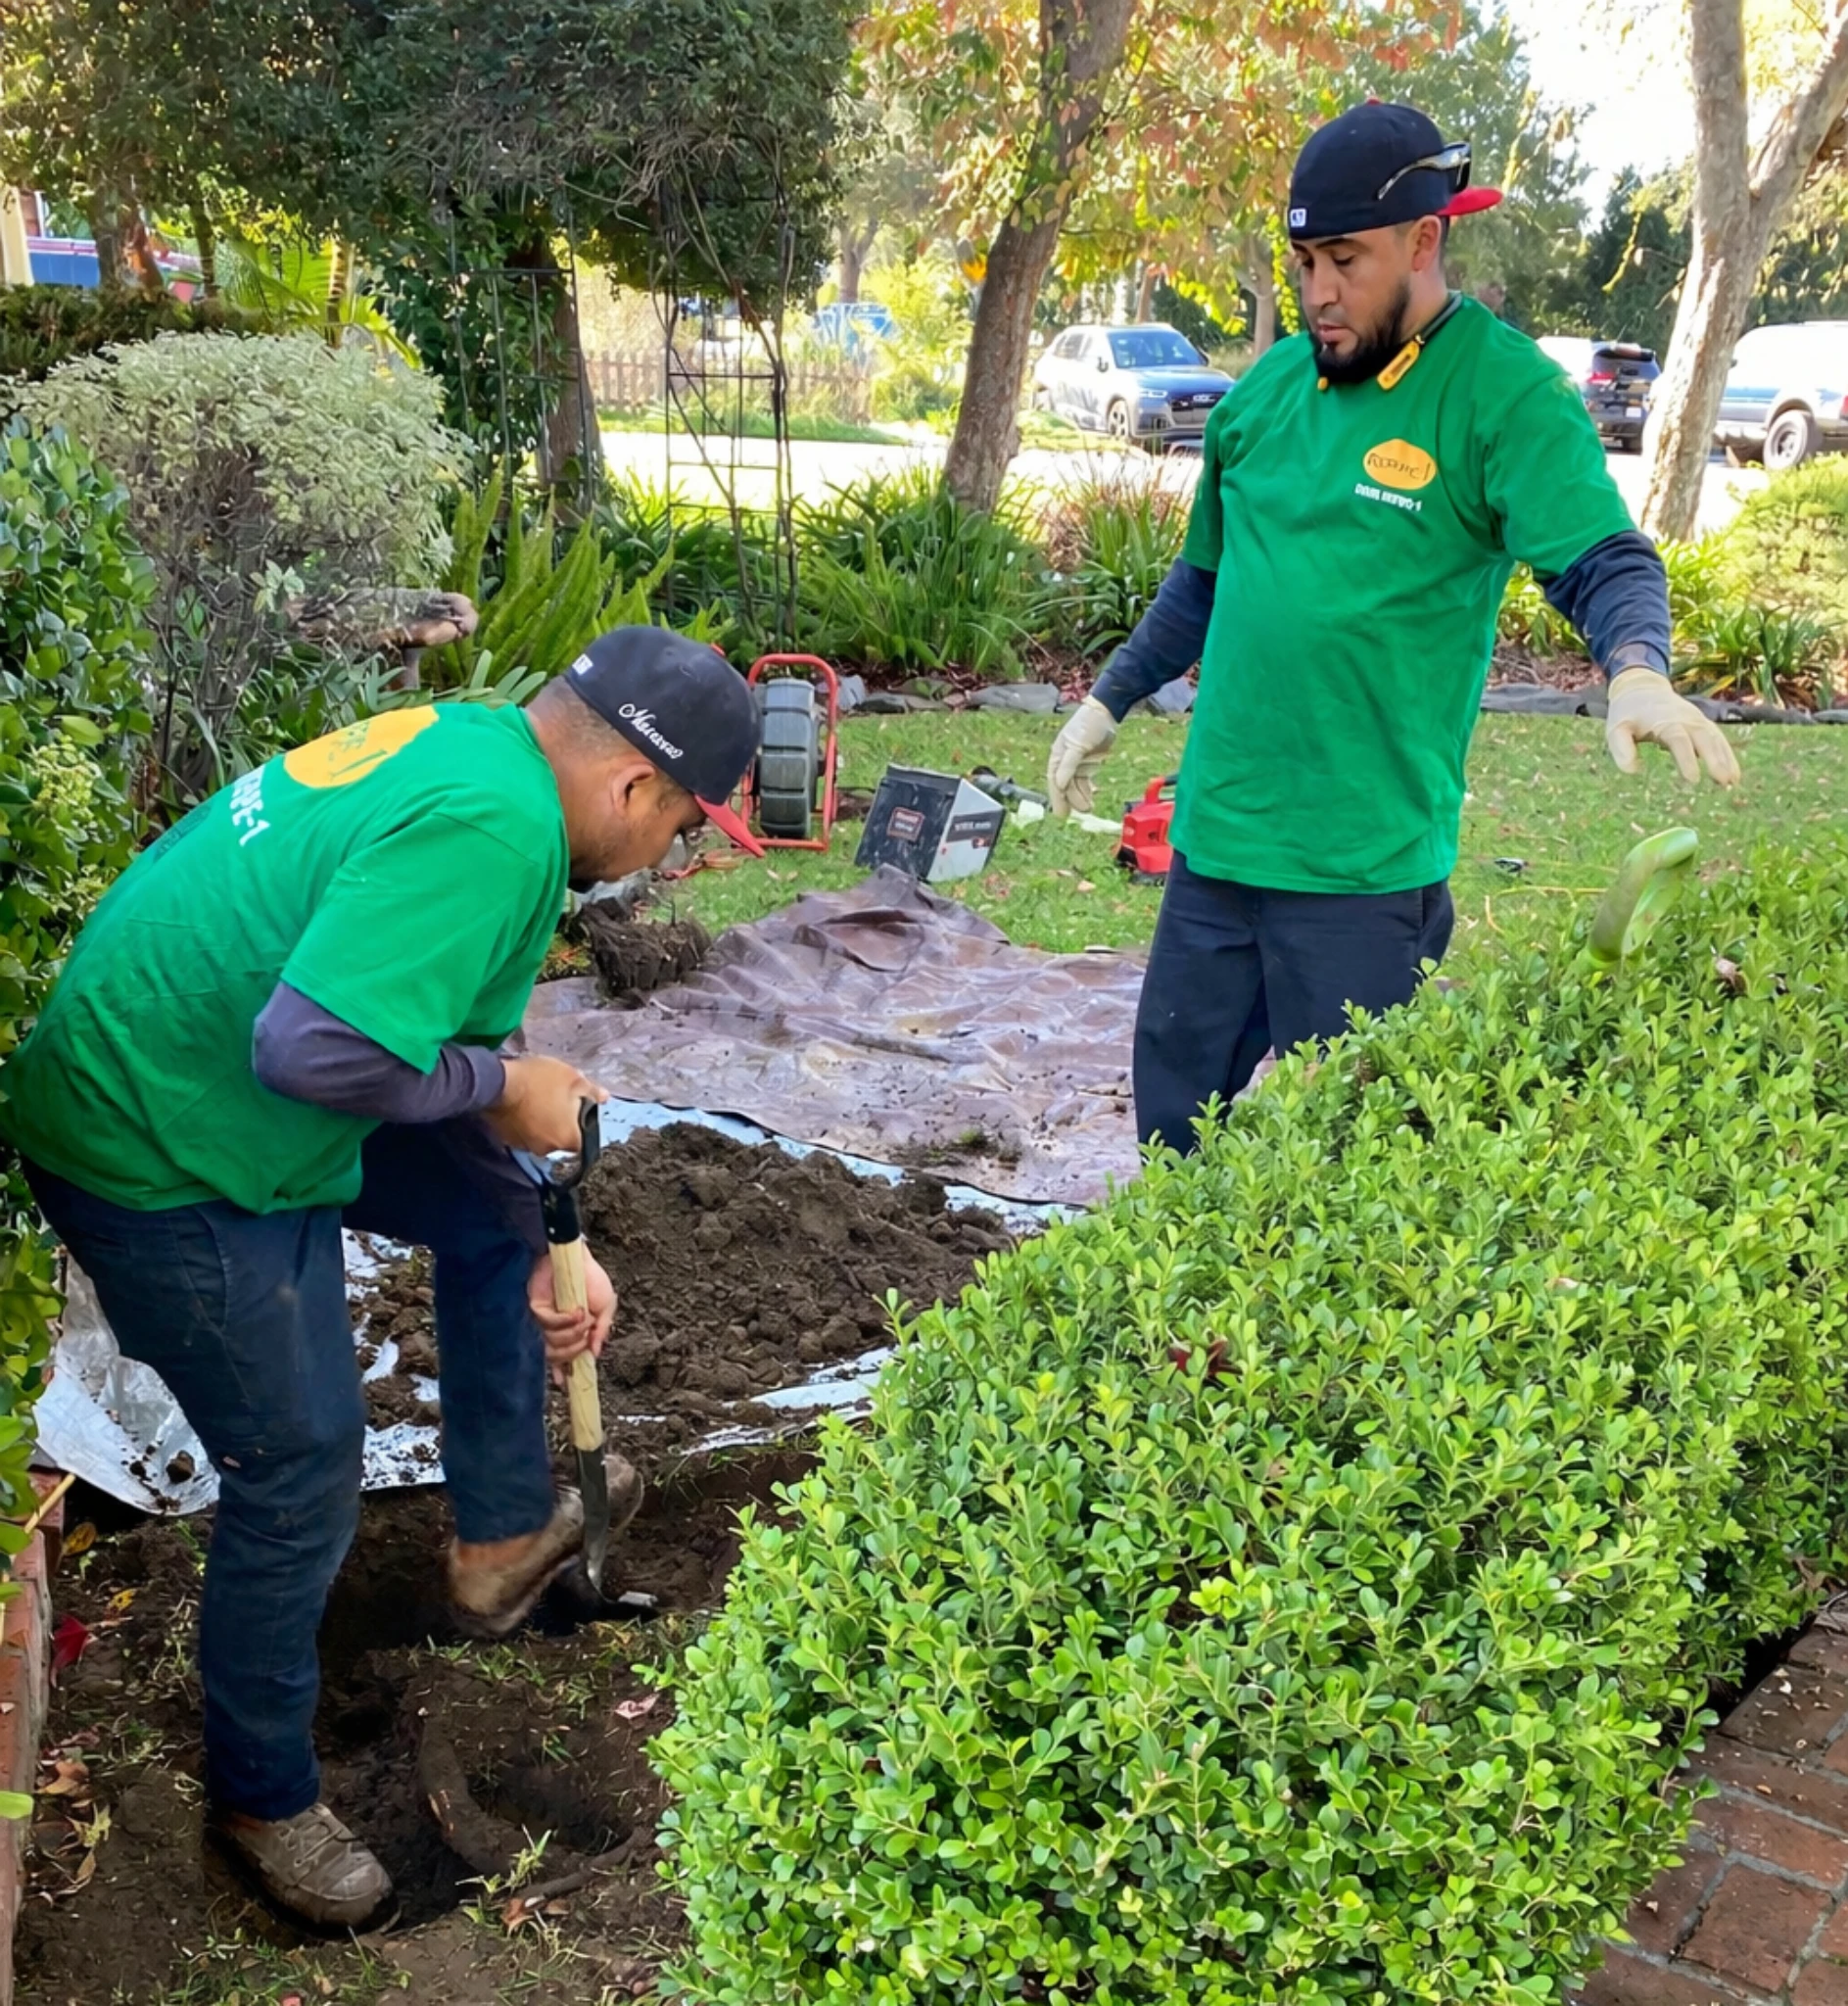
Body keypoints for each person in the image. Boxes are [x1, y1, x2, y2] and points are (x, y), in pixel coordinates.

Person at [0, 628, 764, 1927]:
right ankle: (262, 1796)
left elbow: (418, 1027)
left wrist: (544, 1229)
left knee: (495, 1217)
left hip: (210, 1078)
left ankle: (504, 1537)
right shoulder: (494, 829)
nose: (670, 857)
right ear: (633, 786)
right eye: (684, 827)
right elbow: (312, 1052)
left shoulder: (485, 752)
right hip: (163, 1143)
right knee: (299, 1465)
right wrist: (506, 1085)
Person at [1046, 101, 1740, 1150]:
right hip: (1218, 844)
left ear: (1426, 240)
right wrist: (1109, 698)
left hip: (1362, 872)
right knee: (1173, 1140)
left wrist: (1636, 667)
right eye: (1304, 261)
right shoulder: (1267, 392)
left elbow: (1603, 557)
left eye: (1346, 260)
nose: (1318, 292)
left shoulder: (1505, 396)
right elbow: (1205, 579)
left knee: (1345, 1164)